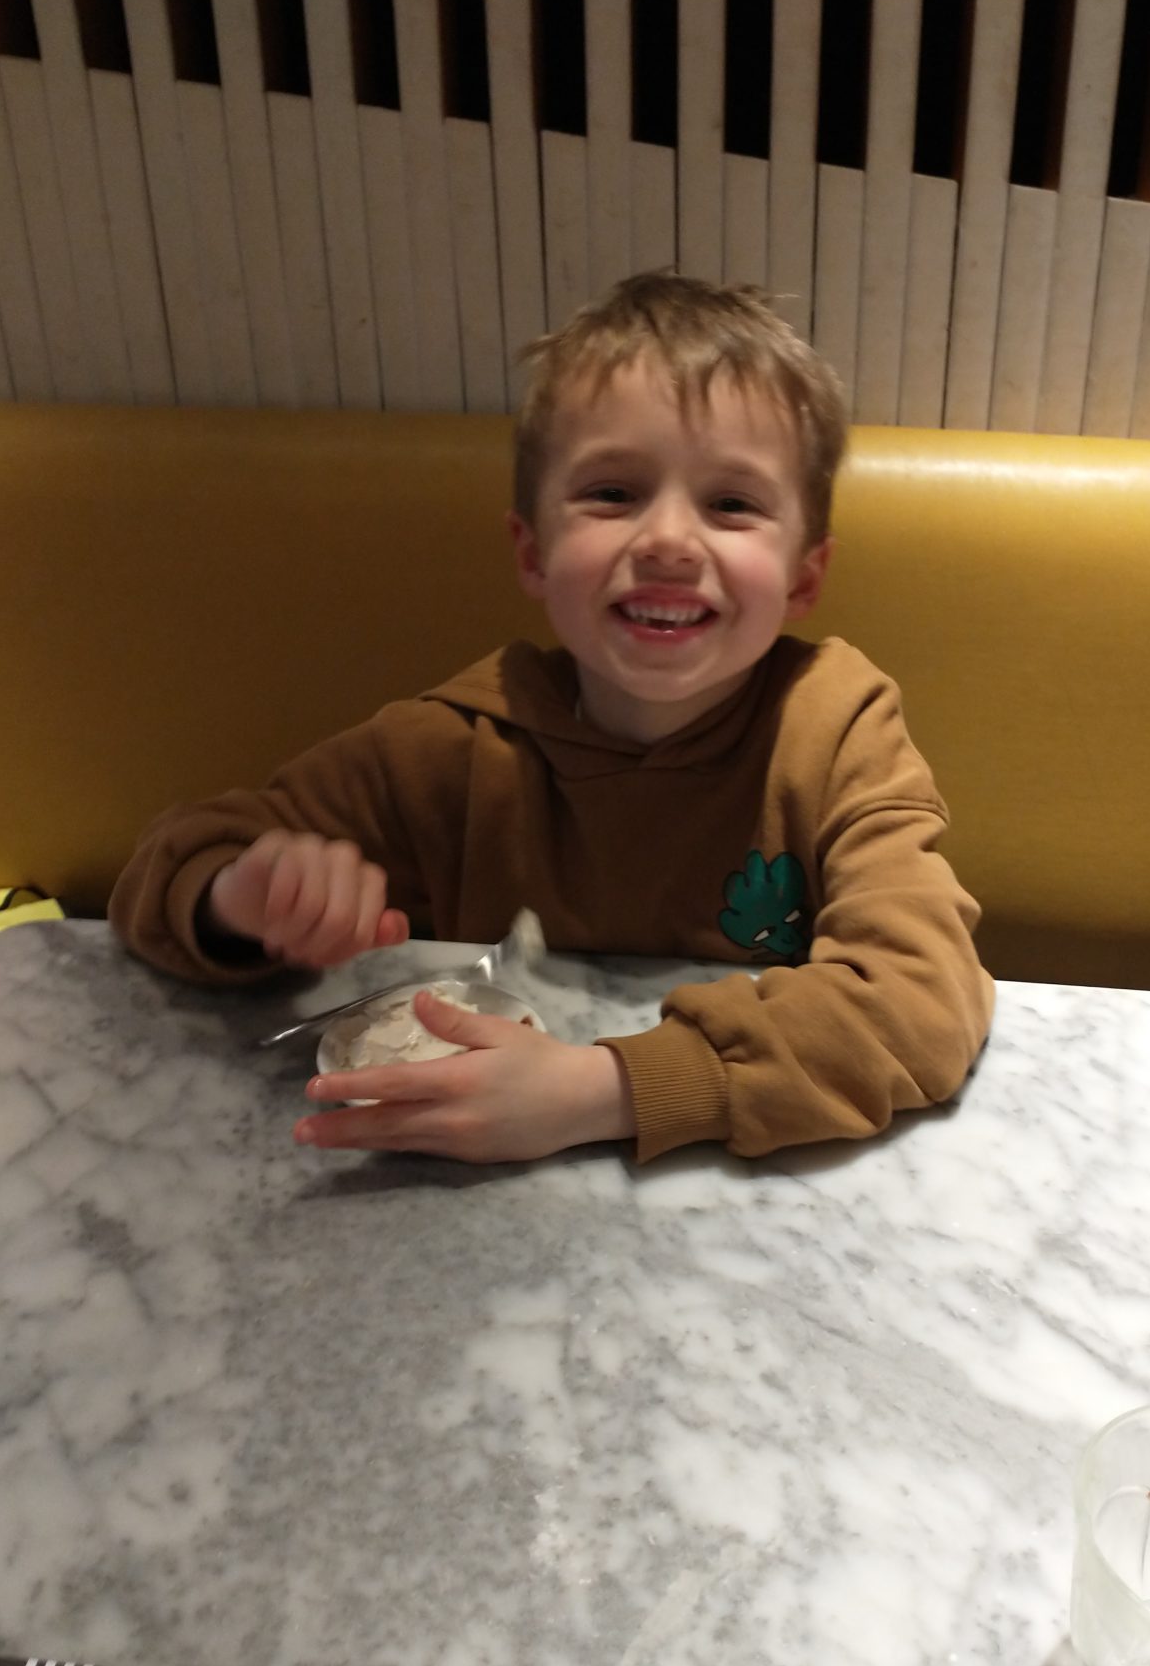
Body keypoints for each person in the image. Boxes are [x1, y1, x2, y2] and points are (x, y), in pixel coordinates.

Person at [110, 272, 993, 1163]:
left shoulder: (837, 730)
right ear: (533, 553)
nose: (668, 540)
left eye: (731, 504)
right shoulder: (454, 747)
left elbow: (922, 1004)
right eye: (613, 493)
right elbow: (166, 872)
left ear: (804, 577)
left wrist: (605, 1092)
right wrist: (242, 897)